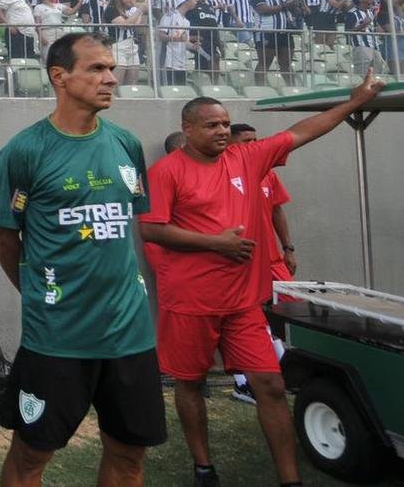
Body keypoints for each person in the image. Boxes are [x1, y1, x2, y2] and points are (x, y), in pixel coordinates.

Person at [139, 74, 384, 487]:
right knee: (191, 383)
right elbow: (151, 230)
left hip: (242, 303)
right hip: (190, 302)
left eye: (224, 123)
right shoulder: (167, 171)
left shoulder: (246, 158)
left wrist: (352, 103)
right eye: (211, 125)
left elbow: (301, 131)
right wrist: (215, 244)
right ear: (188, 129)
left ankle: (289, 480)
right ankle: (204, 467)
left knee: (270, 383)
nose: (221, 131)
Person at [0, 32, 166, 487]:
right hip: (58, 339)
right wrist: (40, 292)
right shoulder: (24, 152)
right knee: (31, 457)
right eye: (97, 69)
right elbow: (4, 238)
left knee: (129, 456)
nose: (111, 78)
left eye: (112, 68)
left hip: (130, 335)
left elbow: (127, 227)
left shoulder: (126, 144)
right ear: (59, 76)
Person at [227, 123, 294, 406]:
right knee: (244, 318)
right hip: (241, 261)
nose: (254, 144)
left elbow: (277, 210)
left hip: (273, 259)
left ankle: (283, 367)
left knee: (290, 307)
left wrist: (288, 247)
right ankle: (242, 382)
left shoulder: (268, 173)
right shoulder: (225, 172)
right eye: (246, 140)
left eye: (257, 139)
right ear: (230, 144)